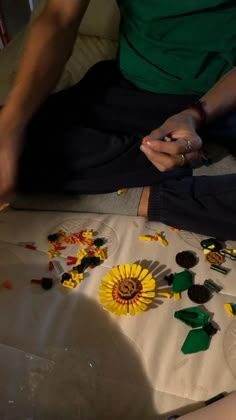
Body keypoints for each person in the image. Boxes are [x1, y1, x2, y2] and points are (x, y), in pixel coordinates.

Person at [0, 0, 236, 239]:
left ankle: (152, 189)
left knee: (32, 168)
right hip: (123, 92)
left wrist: (197, 113)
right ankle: (179, 176)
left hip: (215, 102)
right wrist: (9, 128)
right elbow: (59, 17)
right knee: (18, 147)